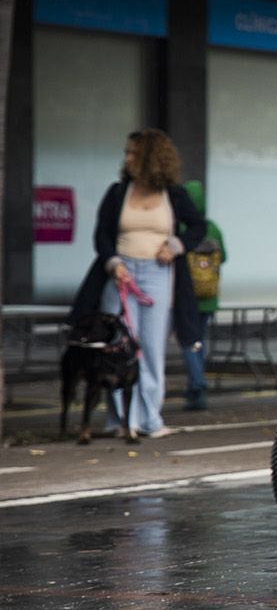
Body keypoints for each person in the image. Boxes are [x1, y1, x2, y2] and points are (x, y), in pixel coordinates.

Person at [70, 129, 206, 439]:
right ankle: (121, 420)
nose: (127, 158)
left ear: (150, 158)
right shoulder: (118, 192)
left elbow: (198, 226)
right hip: (122, 273)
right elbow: (102, 234)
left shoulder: (174, 194)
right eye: (126, 152)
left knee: (151, 345)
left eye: (133, 153)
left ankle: (149, 419)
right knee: (116, 345)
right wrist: (113, 263)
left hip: (158, 273)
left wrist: (174, 246)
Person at [180, 180, 226, 410]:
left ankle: (197, 383)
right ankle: (196, 384)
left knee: (187, 340)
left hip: (185, 295)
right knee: (199, 340)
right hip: (209, 297)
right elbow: (224, 257)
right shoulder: (213, 228)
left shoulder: (180, 229)